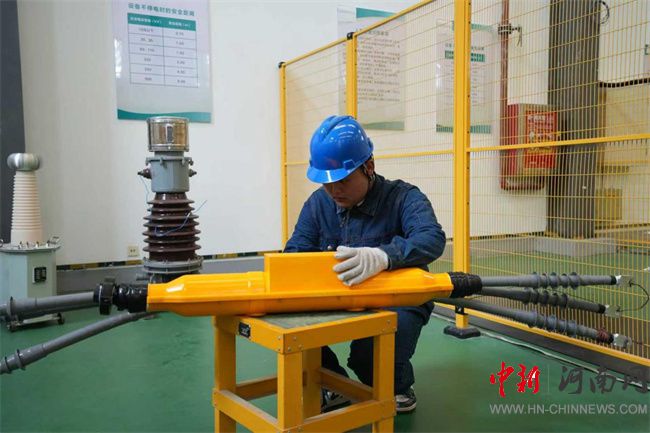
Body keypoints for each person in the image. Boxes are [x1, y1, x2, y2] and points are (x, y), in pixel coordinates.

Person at [283, 115, 446, 413]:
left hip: (397, 299)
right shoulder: (318, 204)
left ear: (369, 167)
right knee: (291, 328)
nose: (334, 191)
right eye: (327, 183)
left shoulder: (403, 198)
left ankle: (397, 384)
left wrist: (385, 256)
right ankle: (333, 384)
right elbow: (295, 253)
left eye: (343, 181)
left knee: (369, 359)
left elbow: (432, 238)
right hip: (338, 297)